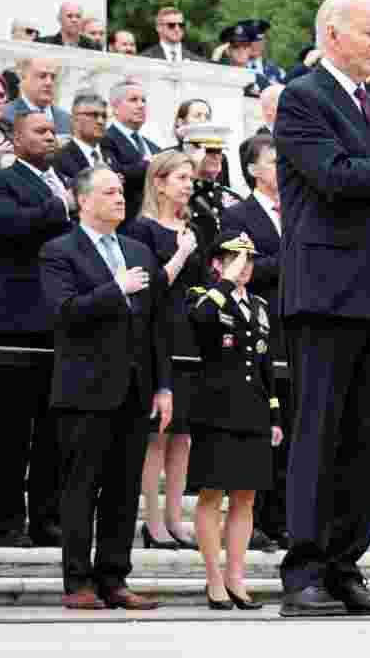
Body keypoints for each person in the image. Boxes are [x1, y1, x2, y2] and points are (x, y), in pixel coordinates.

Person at [273, 0, 370, 618]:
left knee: (366, 437)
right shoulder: (305, 97)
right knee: (319, 432)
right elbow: (332, 176)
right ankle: (304, 568)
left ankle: (342, 562)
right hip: (326, 293)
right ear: (332, 33)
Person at [40, 164, 173, 610]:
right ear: (83, 201)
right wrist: (115, 288)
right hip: (85, 390)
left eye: (121, 191)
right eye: (110, 192)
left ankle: (114, 578)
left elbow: (157, 325)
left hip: (135, 390)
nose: (121, 198)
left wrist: (164, 387)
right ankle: (78, 582)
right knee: (81, 488)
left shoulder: (138, 249)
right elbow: (63, 312)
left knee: (122, 490)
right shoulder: (60, 251)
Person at [187, 231, 284, 610]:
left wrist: (274, 413)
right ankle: (214, 579)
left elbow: (264, 364)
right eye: (235, 257)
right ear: (216, 262)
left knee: (246, 497)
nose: (245, 265)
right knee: (212, 493)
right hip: (216, 409)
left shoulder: (259, 305)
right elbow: (201, 321)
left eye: (249, 258)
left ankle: (236, 577)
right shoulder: (203, 295)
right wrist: (226, 281)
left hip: (253, 410)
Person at [0, 112, 73, 548]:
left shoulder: (61, 180)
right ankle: (7, 520)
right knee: (11, 430)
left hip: (58, 323)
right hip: (17, 324)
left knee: (52, 430)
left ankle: (47, 517)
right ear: (15, 138)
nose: (49, 137)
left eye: (51, 131)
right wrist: (59, 206)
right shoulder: (6, 181)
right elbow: (8, 225)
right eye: (39, 131)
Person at [122, 150, 202, 552]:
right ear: (158, 182)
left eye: (190, 177)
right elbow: (151, 286)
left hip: (189, 336)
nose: (188, 184)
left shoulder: (191, 226)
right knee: (157, 435)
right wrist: (183, 253)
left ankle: (175, 520)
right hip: (157, 334)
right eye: (180, 177)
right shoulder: (141, 229)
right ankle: (152, 523)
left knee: (183, 437)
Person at [221, 134, 288, 550]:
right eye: (274, 161)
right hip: (261, 329)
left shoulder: (299, 210)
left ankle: (284, 517)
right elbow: (240, 267)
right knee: (264, 426)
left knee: (292, 429)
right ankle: (258, 518)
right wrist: (292, 262)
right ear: (252, 169)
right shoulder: (239, 216)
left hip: (299, 329)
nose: (283, 167)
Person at [102, 80, 161, 221]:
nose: (141, 105)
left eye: (143, 100)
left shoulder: (153, 147)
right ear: (115, 108)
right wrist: (151, 164)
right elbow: (116, 176)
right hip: (126, 221)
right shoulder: (105, 140)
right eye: (133, 100)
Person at [52, 93, 118, 179]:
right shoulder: (61, 159)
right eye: (94, 115)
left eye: (104, 116)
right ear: (75, 120)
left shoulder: (110, 152)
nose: (100, 121)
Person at [1, 58, 72, 136]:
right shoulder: (4, 115)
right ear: (23, 78)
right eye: (42, 76)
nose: (49, 83)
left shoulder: (68, 120)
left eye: (53, 77)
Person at [242, 19, 287, 92]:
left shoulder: (278, 72)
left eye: (259, 40)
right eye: (251, 40)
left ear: (265, 41)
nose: (255, 44)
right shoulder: (231, 68)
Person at [218, 23, 261, 98]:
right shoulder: (218, 77)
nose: (241, 49)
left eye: (246, 45)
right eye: (236, 46)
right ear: (228, 50)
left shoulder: (258, 81)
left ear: (250, 50)